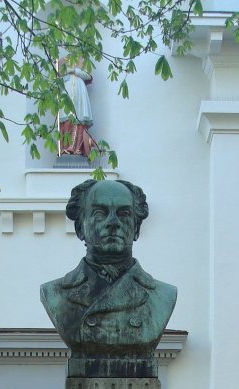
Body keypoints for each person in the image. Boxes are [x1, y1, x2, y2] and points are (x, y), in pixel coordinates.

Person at [40, 179, 177, 355]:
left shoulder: (163, 295)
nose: (113, 222)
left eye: (124, 213)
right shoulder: (54, 293)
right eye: (99, 213)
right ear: (80, 228)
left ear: (136, 228)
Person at [58, 57, 95, 158]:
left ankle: (77, 147)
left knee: (79, 118)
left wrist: (75, 71)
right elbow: (57, 79)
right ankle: (65, 147)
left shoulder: (83, 60)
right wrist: (63, 73)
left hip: (79, 91)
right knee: (66, 120)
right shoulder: (61, 61)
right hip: (66, 92)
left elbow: (88, 76)